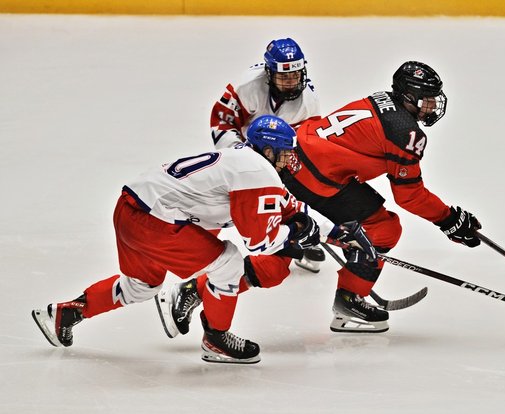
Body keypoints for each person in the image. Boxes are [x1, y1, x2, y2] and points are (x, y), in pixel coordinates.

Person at [161, 61, 482, 335]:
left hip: (303, 158)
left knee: (380, 229)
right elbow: (409, 195)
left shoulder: (384, 100)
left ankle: (349, 300)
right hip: (314, 178)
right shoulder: (407, 133)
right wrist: (449, 220)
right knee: (282, 258)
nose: (432, 105)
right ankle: (196, 290)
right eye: (427, 99)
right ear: (409, 98)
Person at [32, 116, 373, 364]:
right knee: (228, 265)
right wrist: (298, 235)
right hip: (154, 221)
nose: (289, 159)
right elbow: (260, 243)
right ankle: (217, 340)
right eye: (284, 152)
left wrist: (337, 231)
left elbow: (289, 206)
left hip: (132, 209)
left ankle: (67, 312)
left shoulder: (247, 161)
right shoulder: (258, 172)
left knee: (141, 286)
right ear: (268, 150)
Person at [210, 37, 324, 273]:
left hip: (279, 150)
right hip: (242, 147)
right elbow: (222, 122)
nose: (291, 82)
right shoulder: (247, 88)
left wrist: (280, 165)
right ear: (269, 73)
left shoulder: (308, 103)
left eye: (295, 75)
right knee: (225, 197)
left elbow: (302, 144)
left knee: (288, 193)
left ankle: (292, 237)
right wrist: (241, 154)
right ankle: (203, 240)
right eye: (284, 77)